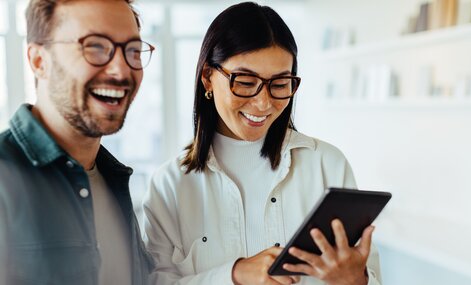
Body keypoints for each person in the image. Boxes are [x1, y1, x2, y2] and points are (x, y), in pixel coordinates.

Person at [143, 2, 382, 285]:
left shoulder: (327, 165)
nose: (263, 103)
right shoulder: (169, 184)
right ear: (208, 77)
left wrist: (357, 280)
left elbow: (370, 275)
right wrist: (233, 275)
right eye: (245, 81)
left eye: (280, 84)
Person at [0, 0, 155, 284]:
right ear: (39, 61)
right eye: (95, 47)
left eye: (132, 50)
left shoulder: (112, 178)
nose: (121, 71)